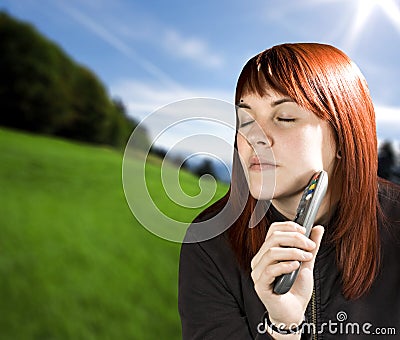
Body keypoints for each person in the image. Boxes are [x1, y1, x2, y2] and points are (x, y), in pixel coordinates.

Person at [178, 43, 400, 339]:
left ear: (343, 136)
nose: (255, 138)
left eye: (284, 118)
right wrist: (282, 328)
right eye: (245, 121)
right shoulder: (209, 241)